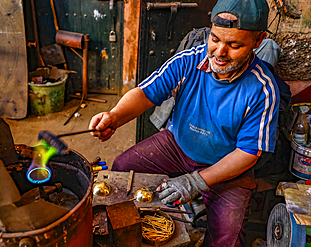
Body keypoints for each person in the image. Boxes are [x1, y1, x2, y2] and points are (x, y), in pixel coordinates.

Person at [89, 0, 279, 245]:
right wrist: (114, 116)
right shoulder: (190, 60)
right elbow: (146, 93)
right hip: (177, 145)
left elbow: (248, 152)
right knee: (124, 169)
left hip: (227, 166)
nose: (220, 52)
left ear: (258, 41)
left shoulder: (262, 88)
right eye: (215, 39)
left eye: (234, 45)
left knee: (226, 236)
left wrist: (196, 181)